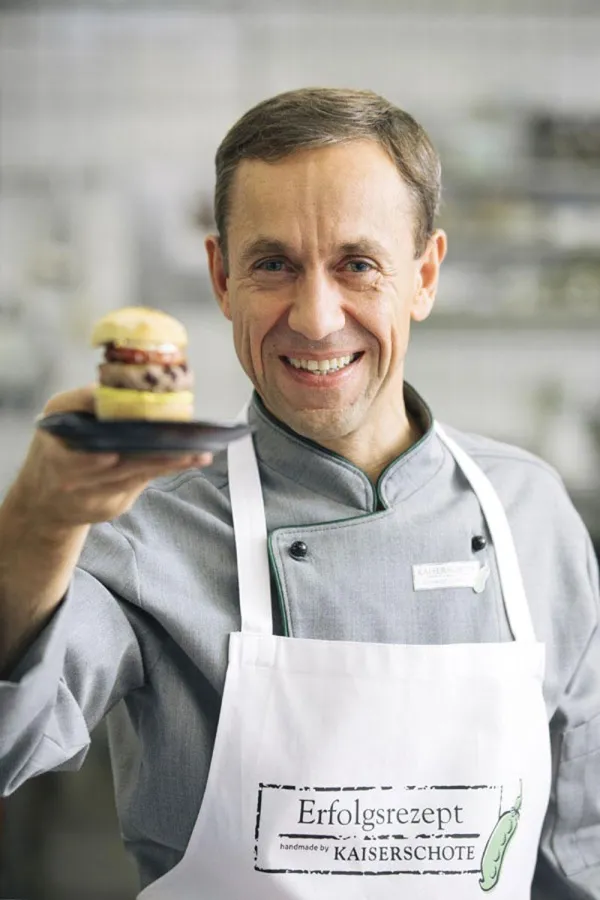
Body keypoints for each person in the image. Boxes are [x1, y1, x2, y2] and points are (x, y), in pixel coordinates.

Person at [0, 87, 599, 900]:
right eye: (274, 264)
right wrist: (37, 521)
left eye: (357, 264)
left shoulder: (532, 514)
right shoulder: (145, 520)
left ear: (424, 275)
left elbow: (582, 845)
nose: (316, 319)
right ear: (221, 277)